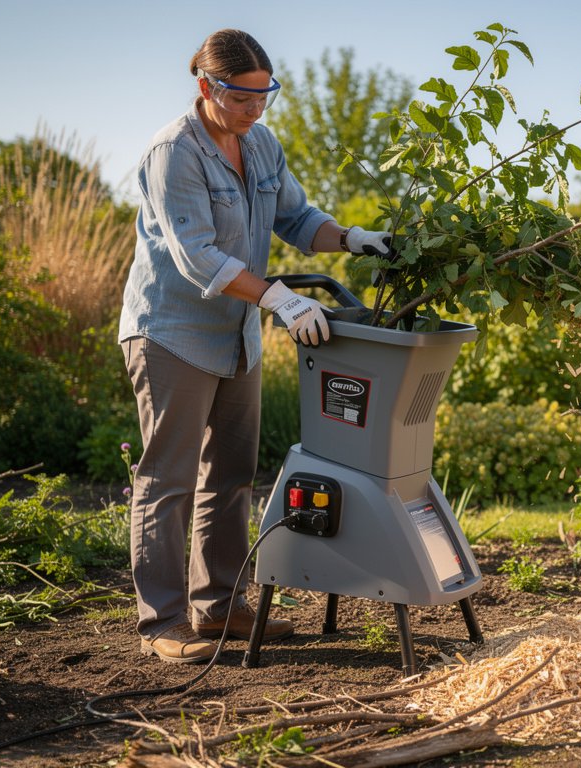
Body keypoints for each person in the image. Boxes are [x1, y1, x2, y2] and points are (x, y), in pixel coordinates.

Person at [117, 28, 393, 663]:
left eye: (265, 93)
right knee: (168, 479)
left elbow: (297, 219)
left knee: (232, 474)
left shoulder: (260, 144)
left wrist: (353, 239)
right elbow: (197, 258)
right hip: (171, 333)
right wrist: (279, 298)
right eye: (243, 97)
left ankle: (219, 606)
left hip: (235, 333)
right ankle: (161, 624)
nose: (256, 108)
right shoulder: (172, 153)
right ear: (207, 87)